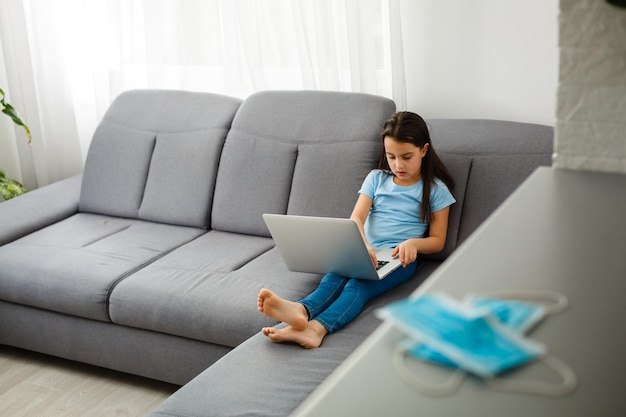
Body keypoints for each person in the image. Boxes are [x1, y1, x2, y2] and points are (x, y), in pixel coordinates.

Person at [257, 111, 456, 349]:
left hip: (397, 258)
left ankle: (316, 329)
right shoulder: (376, 179)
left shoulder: (435, 189)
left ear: (423, 150)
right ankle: (301, 310)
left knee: (357, 286)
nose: (398, 165)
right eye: (391, 156)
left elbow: (438, 240)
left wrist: (413, 244)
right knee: (332, 278)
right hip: (364, 250)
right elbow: (357, 218)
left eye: (406, 156)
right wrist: (362, 244)